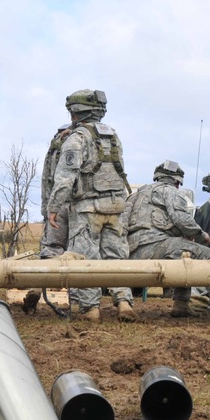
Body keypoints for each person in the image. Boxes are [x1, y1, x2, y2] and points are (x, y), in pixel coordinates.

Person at [46, 89, 137, 322]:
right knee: (117, 257)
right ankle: (124, 303)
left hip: (88, 209)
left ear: (75, 112)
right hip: (116, 206)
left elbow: (65, 177)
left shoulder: (77, 139)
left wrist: (53, 207)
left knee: (84, 260)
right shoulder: (112, 136)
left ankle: (91, 310)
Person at [123, 160, 210, 319]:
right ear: (177, 182)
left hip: (132, 251)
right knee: (206, 255)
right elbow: (181, 219)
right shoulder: (172, 192)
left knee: (185, 253)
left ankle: (181, 305)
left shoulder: (135, 195)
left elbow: (122, 224)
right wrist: (201, 235)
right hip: (156, 245)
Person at [39, 123, 72, 258]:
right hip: (68, 203)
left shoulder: (53, 149)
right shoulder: (71, 145)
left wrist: (46, 207)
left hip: (54, 202)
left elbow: (46, 180)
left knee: (53, 248)